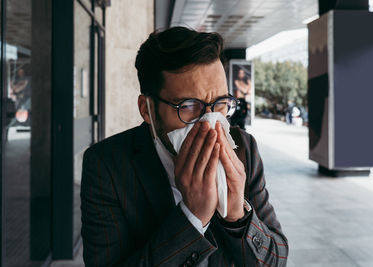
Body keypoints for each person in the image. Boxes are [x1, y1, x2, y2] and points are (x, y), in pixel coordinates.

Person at [81, 26, 288, 266]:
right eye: (189, 105)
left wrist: (237, 216)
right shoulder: (107, 164)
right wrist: (192, 217)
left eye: (221, 103)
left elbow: (276, 260)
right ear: (146, 109)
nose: (210, 123)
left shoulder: (243, 148)